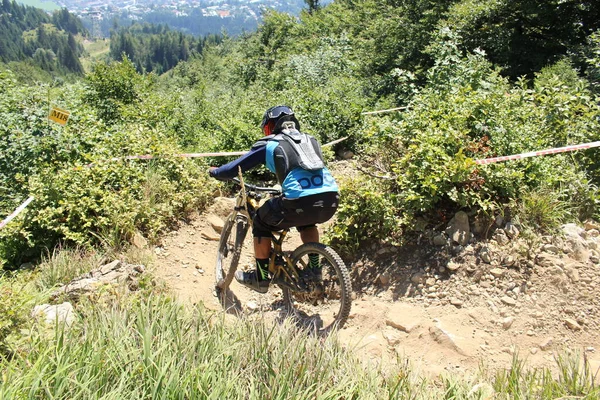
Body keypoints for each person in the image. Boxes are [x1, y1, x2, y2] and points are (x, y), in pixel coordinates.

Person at [209, 105, 339, 293]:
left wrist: (215, 171)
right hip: (330, 199)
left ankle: (261, 278)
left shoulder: (270, 143)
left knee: (261, 222)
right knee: (308, 221)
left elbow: (232, 169)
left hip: (298, 201)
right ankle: (315, 267)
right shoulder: (311, 140)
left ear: (270, 127)